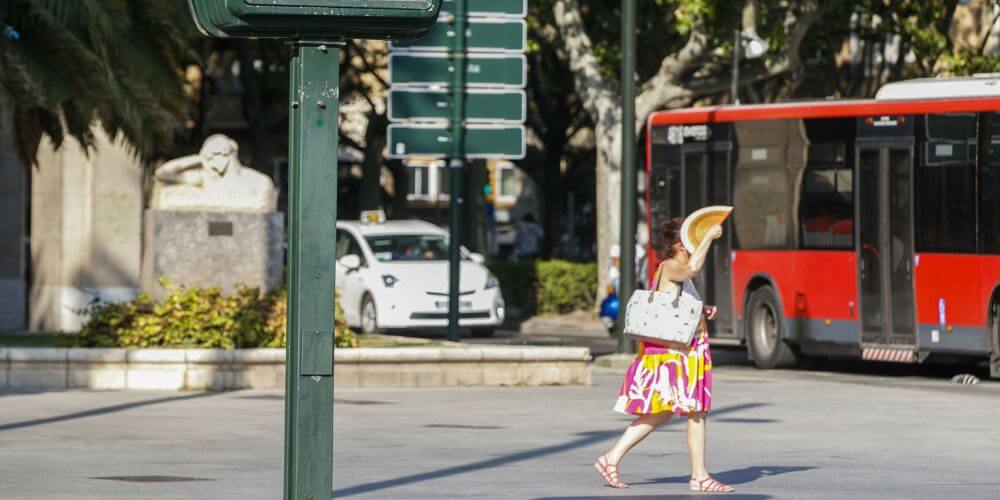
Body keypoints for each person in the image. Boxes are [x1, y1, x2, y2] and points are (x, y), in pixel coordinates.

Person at [593, 217, 733, 493]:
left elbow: (673, 305)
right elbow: (693, 269)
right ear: (681, 245)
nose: (694, 248)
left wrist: (701, 310)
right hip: (676, 356)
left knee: (664, 413)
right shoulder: (671, 266)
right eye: (691, 242)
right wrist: (708, 238)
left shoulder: (669, 268)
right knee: (693, 412)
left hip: (679, 353)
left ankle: (611, 458)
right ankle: (699, 476)